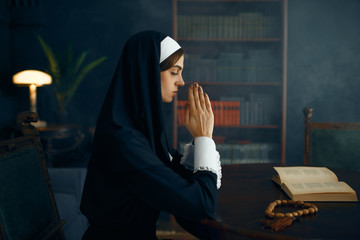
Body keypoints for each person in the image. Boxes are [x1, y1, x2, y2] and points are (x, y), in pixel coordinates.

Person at [80, 30, 222, 239]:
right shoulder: (124, 141)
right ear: (147, 72)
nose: (181, 82)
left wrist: (199, 139)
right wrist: (204, 139)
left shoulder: (141, 129)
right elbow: (201, 205)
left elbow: (176, 180)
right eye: (174, 72)